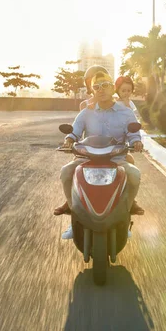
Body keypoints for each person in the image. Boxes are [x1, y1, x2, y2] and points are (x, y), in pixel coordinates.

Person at [54, 72, 145, 220]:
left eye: (105, 85)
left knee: (135, 175)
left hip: (116, 159)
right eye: (96, 87)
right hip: (86, 159)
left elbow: (133, 133)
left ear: (112, 88)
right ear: (93, 91)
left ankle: (128, 207)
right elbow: (75, 131)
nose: (101, 90)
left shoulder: (126, 113)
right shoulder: (85, 113)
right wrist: (69, 140)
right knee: (66, 172)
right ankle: (71, 207)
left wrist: (136, 142)